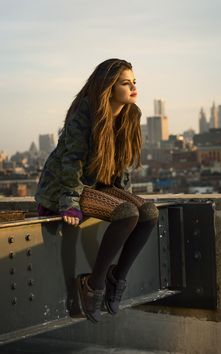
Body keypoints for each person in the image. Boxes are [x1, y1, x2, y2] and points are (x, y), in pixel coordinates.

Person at [35, 58, 159, 324]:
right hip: (72, 187)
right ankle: (93, 284)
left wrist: (123, 195)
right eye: (126, 83)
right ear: (109, 87)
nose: (134, 87)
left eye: (134, 82)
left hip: (102, 185)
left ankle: (118, 277)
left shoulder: (130, 115)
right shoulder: (85, 112)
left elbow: (123, 164)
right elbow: (71, 160)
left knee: (148, 212)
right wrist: (69, 202)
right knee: (126, 213)